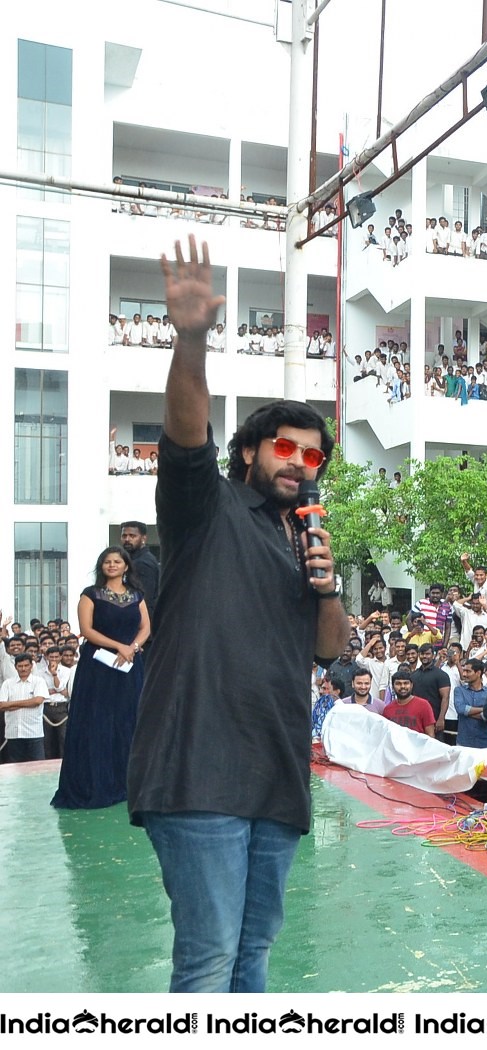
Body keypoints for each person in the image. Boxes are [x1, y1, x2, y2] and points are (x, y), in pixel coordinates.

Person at [127, 235, 350, 993]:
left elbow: (328, 654)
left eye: (313, 456)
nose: (298, 462)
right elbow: (186, 434)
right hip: (197, 772)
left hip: (277, 777)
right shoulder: (207, 509)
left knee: (254, 957)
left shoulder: (307, 538)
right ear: (251, 451)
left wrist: (327, 586)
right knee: (209, 958)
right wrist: (192, 339)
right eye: (284, 447)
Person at [50, 546, 150, 803]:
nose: (112, 565)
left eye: (117, 561)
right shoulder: (91, 594)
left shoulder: (137, 596)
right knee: (97, 722)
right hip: (98, 667)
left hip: (129, 667)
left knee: (129, 721)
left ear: (126, 566)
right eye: (107, 561)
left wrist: (133, 648)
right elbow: (86, 629)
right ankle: (96, 783)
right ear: (101, 566)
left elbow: (146, 627)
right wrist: (119, 646)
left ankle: (129, 784)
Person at [0, 653, 49, 763]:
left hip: (34, 732)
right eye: (20, 666)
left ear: (31, 666)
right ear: (15, 667)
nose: (23, 669)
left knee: (37, 767)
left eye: (26, 666)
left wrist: (12, 704)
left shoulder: (39, 681)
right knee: (15, 768)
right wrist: (28, 703)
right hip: (13, 733)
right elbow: (2, 705)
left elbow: (37, 701)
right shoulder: (7, 683)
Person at [119, 520, 162, 613]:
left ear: (143, 538)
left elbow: (145, 599)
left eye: (132, 536)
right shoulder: (132, 560)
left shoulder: (143, 563)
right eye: (124, 536)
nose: (127, 539)